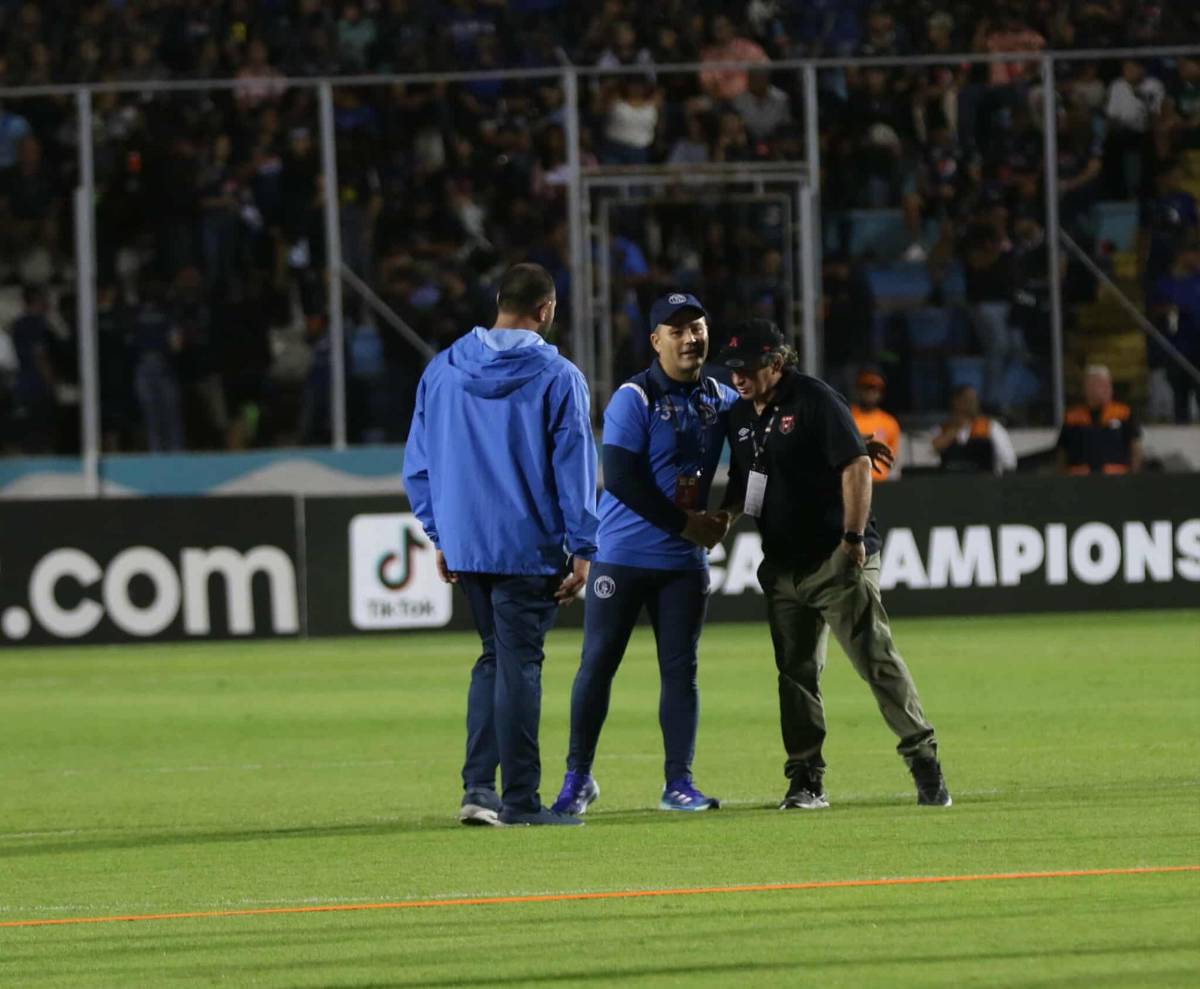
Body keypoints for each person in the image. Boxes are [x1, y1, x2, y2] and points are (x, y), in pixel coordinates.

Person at [717, 319, 950, 810]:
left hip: (834, 558)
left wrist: (852, 539)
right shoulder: (739, 415)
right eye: (732, 368)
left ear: (776, 362)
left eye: (748, 367)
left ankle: (923, 758)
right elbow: (745, 482)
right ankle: (806, 778)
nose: (738, 377)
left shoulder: (815, 400)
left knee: (875, 659)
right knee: (795, 674)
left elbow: (856, 465)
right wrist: (723, 518)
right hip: (783, 565)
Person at [403, 263, 599, 828]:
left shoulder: (443, 370)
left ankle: (478, 790)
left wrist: (441, 532)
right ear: (547, 309)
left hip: (468, 542)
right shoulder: (559, 377)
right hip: (527, 546)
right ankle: (520, 799)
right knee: (519, 665)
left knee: (493, 658)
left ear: (498, 301)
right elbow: (575, 469)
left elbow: (419, 463)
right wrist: (583, 546)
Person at [551, 293, 735, 818]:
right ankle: (577, 779)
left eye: (696, 327)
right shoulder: (634, 397)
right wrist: (689, 525)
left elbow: (757, 451)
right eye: (676, 331)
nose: (690, 338)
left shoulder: (721, 398)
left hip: (683, 566)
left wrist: (728, 515)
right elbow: (622, 480)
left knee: (681, 672)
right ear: (656, 341)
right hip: (622, 557)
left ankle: (679, 784)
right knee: (597, 664)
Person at [1056, 365, 1144, 474]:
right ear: (1087, 388)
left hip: (1116, 479)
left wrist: (1133, 476)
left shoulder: (1124, 413)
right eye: (1101, 384)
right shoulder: (1072, 417)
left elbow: (1135, 448)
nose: (1107, 389)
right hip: (1080, 479)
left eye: (1109, 384)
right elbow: (1062, 453)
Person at [932, 384, 1018, 475]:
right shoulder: (940, 429)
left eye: (975, 399)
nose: (973, 403)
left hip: (985, 479)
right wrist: (956, 427)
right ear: (955, 402)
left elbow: (1008, 462)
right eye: (967, 400)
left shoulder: (991, 427)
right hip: (950, 480)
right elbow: (932, 456)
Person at [850, 370, 901, 481]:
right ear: (859, 390)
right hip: (855, 481)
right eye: (866, 388)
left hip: (881, 481)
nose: (870, 393)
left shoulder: (889, 422)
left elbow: (893, 458)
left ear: (880, 394)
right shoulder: (848, 417)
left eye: (875, 389)